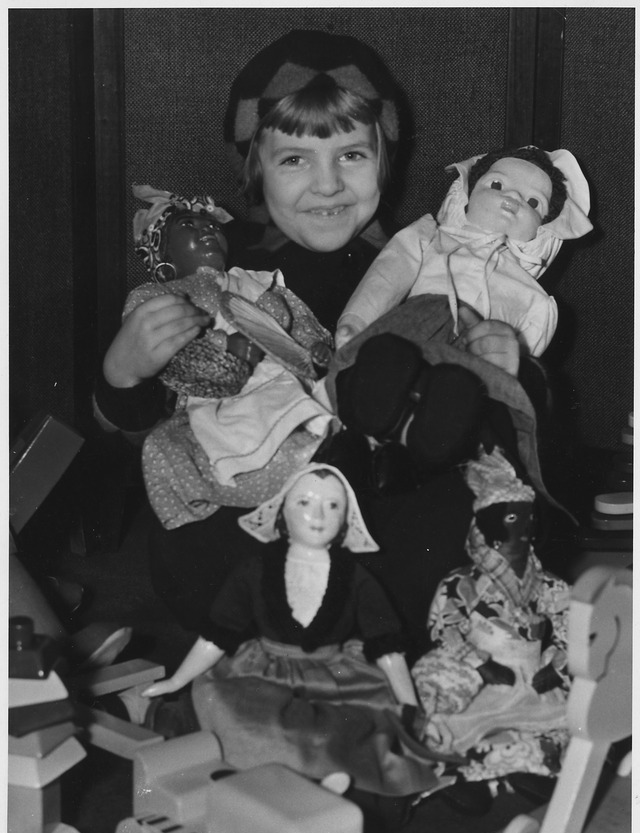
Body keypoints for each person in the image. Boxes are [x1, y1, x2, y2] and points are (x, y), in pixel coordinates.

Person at [94, 29, 557, 659]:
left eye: (351, 155)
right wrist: (123, 372)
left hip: (385, 500)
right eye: (294, 160)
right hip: (263, 496)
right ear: (255, 167)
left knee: (459, 495)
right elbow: (152, 424)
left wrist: (509, 365)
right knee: (194, 532)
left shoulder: (427, 264)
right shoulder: (226, 275)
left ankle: (384, 626)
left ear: (385, 160)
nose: (328, 184)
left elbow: (513, 420)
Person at [137, 463, 441, 799]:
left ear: (345, 519)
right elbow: (216, 636)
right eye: (304, 502)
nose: (319, 515)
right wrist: (177, 680)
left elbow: (388, 649)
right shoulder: (255, 570)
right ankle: (295, 779)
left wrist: (409, 704)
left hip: (334, 676)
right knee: (235, 711)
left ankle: (311, 782)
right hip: (263, 675)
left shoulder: (357, 578)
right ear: (282, 512)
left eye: (333, 505)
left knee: (347, 726)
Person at [125, 184, 336, 531]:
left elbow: (298, 322)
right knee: (169, 445)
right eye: (188, 226)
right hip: (217, 395)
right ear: (162, 256)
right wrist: (225, 351)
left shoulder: (258, 282)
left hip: (285, 373)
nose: (206, 229)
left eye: (211, 225)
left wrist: (315, 346)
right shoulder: (160, 295)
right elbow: (163, 355)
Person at [410, 447, 571, 811]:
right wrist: (480, 664)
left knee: (557, 723)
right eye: (514, 518)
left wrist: (557, 665)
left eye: (529, 518)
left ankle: (519, 772)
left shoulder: (550, 584)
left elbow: (568, 627)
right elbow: (444, 628)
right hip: (482, 674)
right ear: (490, 528)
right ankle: (467, 779)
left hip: (531, 674)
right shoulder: (462, 583)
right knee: (451, 720)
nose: (524, 528)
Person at [335, 145, 592, 357]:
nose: (513, 197)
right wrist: (356, 322)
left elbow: (524, 370)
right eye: (497, 185)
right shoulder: (428, 238)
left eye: (533, 202)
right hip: (408, 340)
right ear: (467, 194)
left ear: (544, 228)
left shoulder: (535, 300)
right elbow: (387, 276)